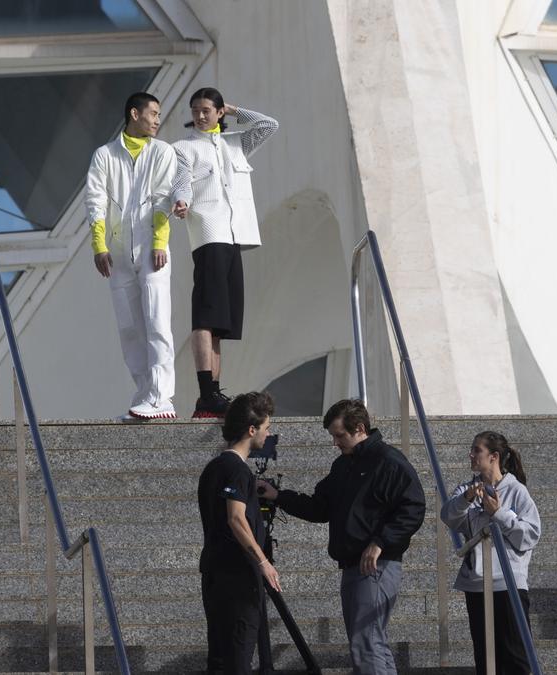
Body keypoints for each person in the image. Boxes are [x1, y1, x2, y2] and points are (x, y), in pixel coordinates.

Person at [257, 399, 425, 674]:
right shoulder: (344, 465)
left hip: (374, 566)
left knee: (367, 644)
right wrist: (278, 496)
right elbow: (320, 507)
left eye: (340, 436)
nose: (336, 443)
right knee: (371, 643)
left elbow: (414, 507)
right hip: (354, 566)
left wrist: (380, 542)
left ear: (360, 428)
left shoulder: (388, 461)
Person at [170, 88, 279, 418]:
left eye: (206, 110)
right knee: (206, 313)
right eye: (195, 110)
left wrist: (232, 109)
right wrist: (182, 200)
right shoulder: (183, 147)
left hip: (235, 235)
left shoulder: (236, 143)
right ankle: (206, 392)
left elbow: (268, 125)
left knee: (221, 322)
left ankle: (214, 392)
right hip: (208, 231)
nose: (200, 115)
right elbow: (181, 181)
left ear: (219, 112)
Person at [85, 91, 179, 420]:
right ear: (134, 113)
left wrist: (158, 241)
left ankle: (161, 396)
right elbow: (95, 201)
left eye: (158, 114)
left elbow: (163, 198)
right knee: (129, 328)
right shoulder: (105, 155)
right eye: (153, 113)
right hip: (119, 254)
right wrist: (99, 246)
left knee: (156, 322)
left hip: (154, 251)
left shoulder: (163, 152)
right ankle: (144, 395)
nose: (157, 120)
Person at [441, 431, 541, 675]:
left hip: (508, 584)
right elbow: (449, 517)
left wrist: (499, 513)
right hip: (477, 583)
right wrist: (466, 499)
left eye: (477, 450)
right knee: (486, 659)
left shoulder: (516, 490)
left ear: (494, 456)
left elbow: (530, 535)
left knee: (516, 656)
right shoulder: (467, 489)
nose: (471, 454)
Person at [197, 391, 282, 674]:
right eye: (266, 428)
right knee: (238, 656)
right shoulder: (237, 471)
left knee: (220, 658)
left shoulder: (212, 468)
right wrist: (263, 562)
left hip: (214, 573)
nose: (268, 434)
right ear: (251, 429)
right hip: (238, 576)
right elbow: (235, 518)